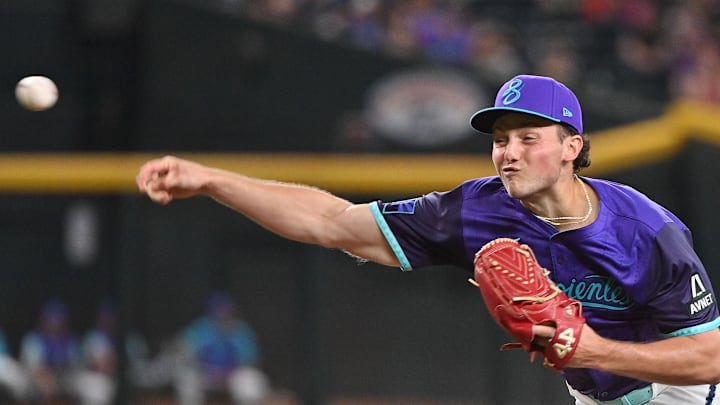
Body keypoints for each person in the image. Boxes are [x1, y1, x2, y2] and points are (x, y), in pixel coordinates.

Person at [137, 74, 720, 404]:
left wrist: (592, 350)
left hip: (676, 396)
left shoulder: (646, 232)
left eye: (528, 137)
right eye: (499, 139)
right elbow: (331, 222)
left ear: (572, 146)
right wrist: (213, 181)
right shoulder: (477, 209)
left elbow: (710, 358)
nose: (509, 152)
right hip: (595, 396)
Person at [171, 291, 270, 405]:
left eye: (225, 310)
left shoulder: (241, 331)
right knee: (187, 377)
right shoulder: (200, 329)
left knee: (251, 381)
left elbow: (250, 360)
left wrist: (229, 371)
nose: (222, 314)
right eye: (219, 310)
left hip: (232, 376)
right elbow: (184, 354)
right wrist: (204, 367)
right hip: (205, 374)